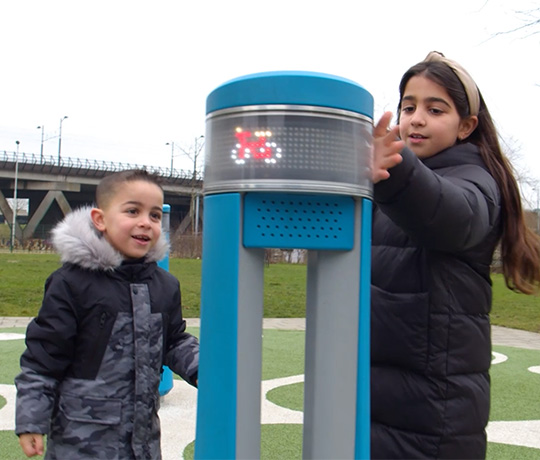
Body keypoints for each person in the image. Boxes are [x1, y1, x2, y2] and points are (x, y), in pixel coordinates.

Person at [370, 51, 540, 459]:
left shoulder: (475, 179)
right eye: (408, 106)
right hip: (383, 392)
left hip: (435, 410)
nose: (417, 118)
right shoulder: (389, 187)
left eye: (435, 109)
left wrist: (395, 168)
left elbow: (449, 216)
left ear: (466, 126)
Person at [15, 169, 199, 459]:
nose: (145, 223)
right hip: (81, 442)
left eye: (153, 215)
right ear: (100, 219)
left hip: (143, 443)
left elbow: (173, 340)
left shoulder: (164, 286)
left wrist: (204, 367)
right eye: (132, 211)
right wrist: (30, 420)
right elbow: (43, 358)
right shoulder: (72, 283)